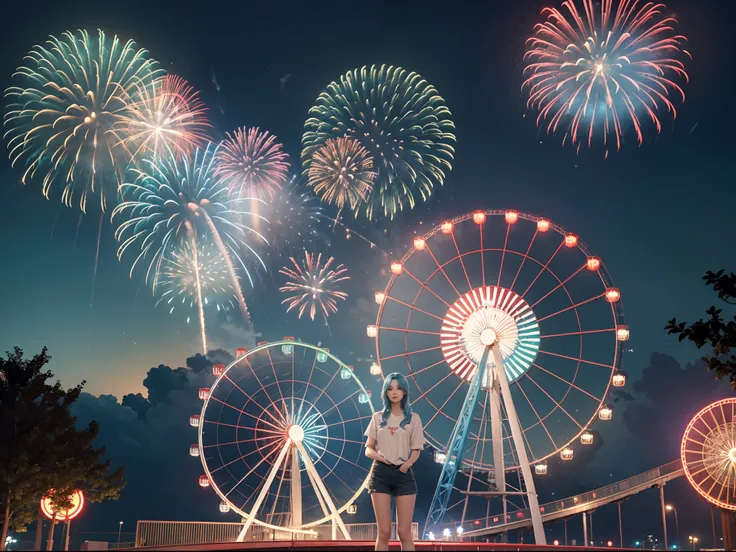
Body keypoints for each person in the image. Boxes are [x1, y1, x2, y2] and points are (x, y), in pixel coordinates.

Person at [364, 372, 425, 551]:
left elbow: (416, 450)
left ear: (405, 391)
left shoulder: (414, 419)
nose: (394, 392)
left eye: (398, 388)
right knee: (383, 532)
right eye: (390, 388)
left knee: (404, 533)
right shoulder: (377, 417)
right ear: (385, 392)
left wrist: (406, 465)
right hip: (380, 473)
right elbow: (368, 448)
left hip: (403, 474)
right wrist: (379, 457)